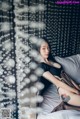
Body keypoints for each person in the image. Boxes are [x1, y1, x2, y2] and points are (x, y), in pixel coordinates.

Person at [37, 39, 80, 116]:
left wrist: (76, 88)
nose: (47, 50)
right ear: (38, 50)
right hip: (65, 94)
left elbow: (66, 76)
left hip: (70, 84)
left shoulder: (51, 61)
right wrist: (75, 91)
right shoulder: (41, 66)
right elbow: (57, 82)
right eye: (43, 48)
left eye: (48, 48)